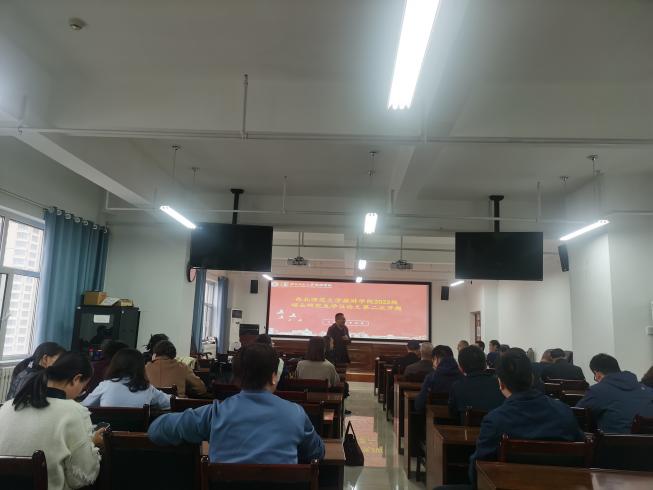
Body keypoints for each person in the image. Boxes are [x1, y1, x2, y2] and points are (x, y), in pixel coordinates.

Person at [148, 343, 324, 464]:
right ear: (273, 377)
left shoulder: (215, 413)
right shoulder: (295, 414)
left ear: (236, 379)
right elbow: (317, 452)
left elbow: (156, 430)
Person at [469, 348, 584, 484]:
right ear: (532, 378)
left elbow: (477, 472)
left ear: (500, 383)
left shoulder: (495, 420)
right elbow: (581, 453)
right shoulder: (564, 411)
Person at [0, 352, 103, 490]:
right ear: (76, 379)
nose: (81, 392)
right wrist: (92, 444)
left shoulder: (8, 405)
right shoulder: (74, 411)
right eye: (83, 388)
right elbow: (83, 477)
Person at [576, 354, 653, 433]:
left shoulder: (597, 390)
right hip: (647, 439)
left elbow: (578, 414)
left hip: (616, 440)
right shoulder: (648, 390)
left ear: (597, 374)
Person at [82, 348, 171, 409]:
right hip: (138, 431)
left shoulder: (106, 385)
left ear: (115, 365)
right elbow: (170, 402)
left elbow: (84, 406)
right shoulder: (147, 388)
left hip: (108, 431)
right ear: (141, 367)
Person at [449, 346, 505, 423]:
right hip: (497, 428)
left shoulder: (457, 386)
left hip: (466, 429)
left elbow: (453, 414)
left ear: (461, 368)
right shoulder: (499, 383)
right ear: (485, 364)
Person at [415, 345, 463, 412]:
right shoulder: (462, 377)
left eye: (433, 360)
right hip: (457, 416)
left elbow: (419, 405)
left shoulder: (431, 377)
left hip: (434, 416)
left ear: (436, 359)